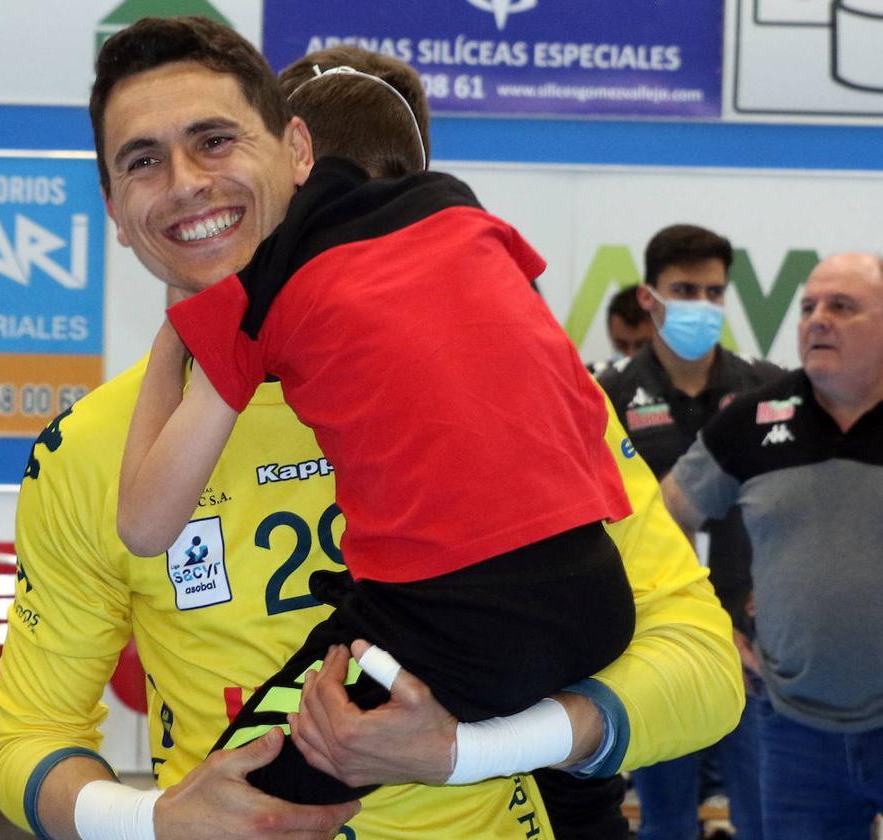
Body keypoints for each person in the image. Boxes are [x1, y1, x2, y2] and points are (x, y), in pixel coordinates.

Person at [0, 17, 742, 840]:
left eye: (215, 140)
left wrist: (469, 749)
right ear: (114, 206)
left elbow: (704, 668)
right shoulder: (89, 448)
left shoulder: (514, 374)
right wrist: (153, 822)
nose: (185, 183)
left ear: (294, 151)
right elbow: (33, 740)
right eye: (143, 160)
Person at [119, 44, 641, 807]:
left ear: (288, 160)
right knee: (568, 792)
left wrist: (182, 325)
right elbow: (577, 417)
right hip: (600, 599)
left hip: (449, 623)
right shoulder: (484, 235)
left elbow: (143, 524)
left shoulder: (265, 282)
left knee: (230, 802)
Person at [662, 251, 883, 840]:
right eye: (808, 306)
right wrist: (712, 626)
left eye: (842, 306)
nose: (817, 319)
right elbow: (666, 517)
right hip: (794, 727)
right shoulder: (755, 420)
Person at [597, 224, 781, 840]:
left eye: (713, 292)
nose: (702, 305)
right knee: (666, 820)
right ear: (649, 297)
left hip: (754, 649)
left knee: (764, 819)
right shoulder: (608, 394)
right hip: (655, 644)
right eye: (684, 289)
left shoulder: (767, 390)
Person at [603, 285, 655, 366]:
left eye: (642, 346)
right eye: (621, 345)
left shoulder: (680, 376)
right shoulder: (599, 376)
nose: (631, 356)